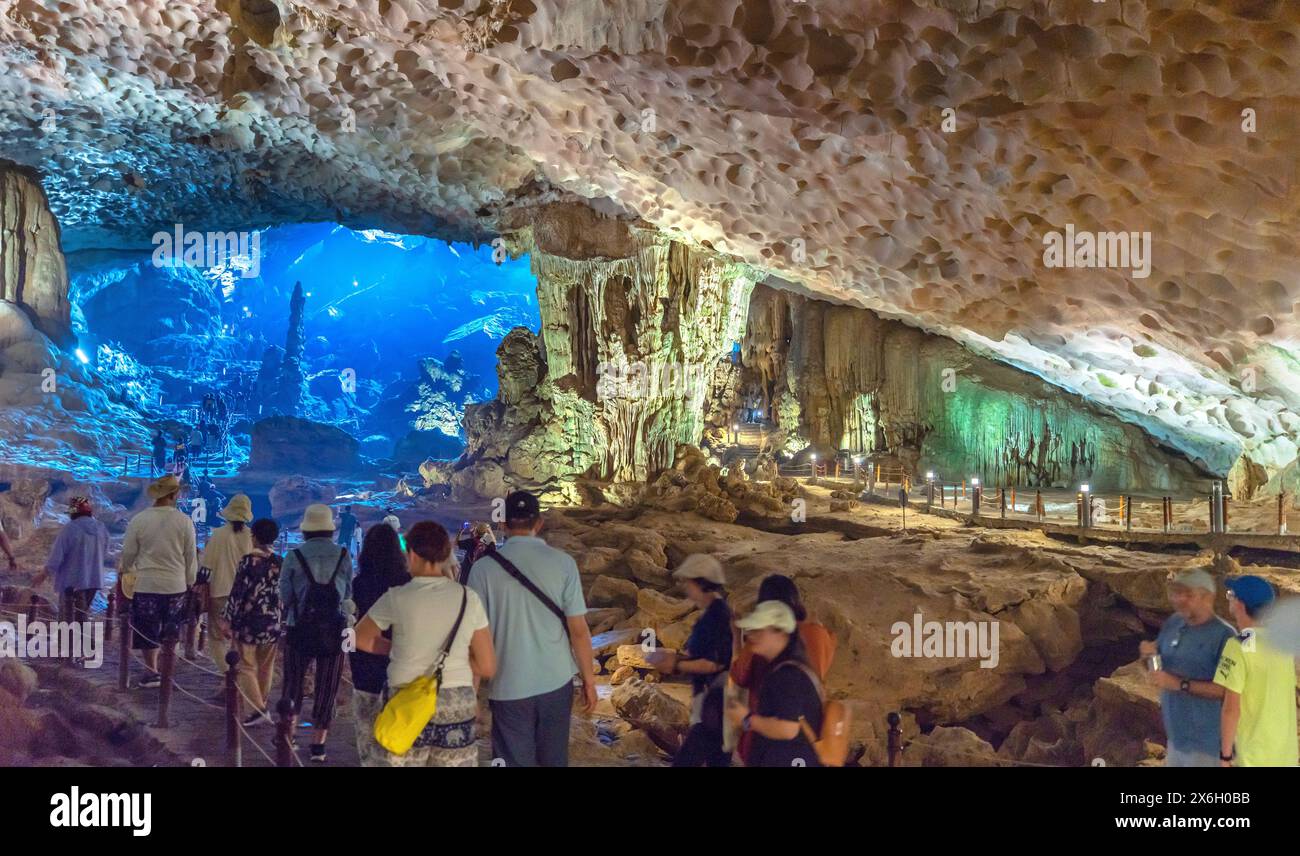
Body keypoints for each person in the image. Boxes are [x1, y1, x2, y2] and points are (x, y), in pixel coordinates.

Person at [467, 490, 595, 767]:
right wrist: (589, 680)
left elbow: (475, 639)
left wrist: (472, 691)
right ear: (538, 523)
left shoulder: (482, 571)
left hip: (509, 685)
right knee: (554, 760)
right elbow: (579, 631)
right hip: (556, 681)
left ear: (503, 524)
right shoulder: (564, 564)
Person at [356, 521, 495, 767]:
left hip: (407, 699)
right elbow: (486, 665)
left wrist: (393, 649)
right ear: (445, 555)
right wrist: (459, 659)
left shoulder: (397, 597)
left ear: (410, 553)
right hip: (455, 703)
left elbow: (361, 637)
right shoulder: (467, 598)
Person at [730, 574, 836, 765]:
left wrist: (746, 720)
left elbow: (739, 675)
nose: (752, 637)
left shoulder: (785, 674)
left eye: (757, 630)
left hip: (779, 747)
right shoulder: (817, 635)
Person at [279, 503, 354, 763]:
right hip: (334, 628)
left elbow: (285, 595)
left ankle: (288, 735)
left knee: (293, 683)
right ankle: (318, 745)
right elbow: (346, 594)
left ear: (306, 530)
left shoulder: (293, 556)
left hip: (298, 627)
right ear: (330, 530)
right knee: (327, 685)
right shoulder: (344, 555)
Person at [1138, 566, 1234, 766]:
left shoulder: (1225, 636)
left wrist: (1179, 684)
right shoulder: (1174, 623)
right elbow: (1157, 664)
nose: (1178, 599)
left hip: (1208, 746)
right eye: (1175, 593)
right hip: (1176, 740)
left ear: (1207, 597)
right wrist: (1147, 656)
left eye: (1187, 594)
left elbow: (1228, 691)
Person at [648, 554, 732, 766]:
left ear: (701, 582)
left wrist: (675, 664)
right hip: (713, 704)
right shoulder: (712, 612)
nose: (684, 586)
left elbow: (717, 662)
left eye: (688, 581)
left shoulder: (717, 614)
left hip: (717, 704)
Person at [119, 475, 198, 688]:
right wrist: (190, 580)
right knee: (171, 628)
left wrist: (128, 570)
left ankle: (152, 669)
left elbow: (128, 553)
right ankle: (167, 667)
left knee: (147, 627)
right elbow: (190, 556)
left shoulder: (139, 519)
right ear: (174, 495)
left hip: (146, 583)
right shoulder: (184, 521)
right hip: (175, 584)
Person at [1214, 575, 1298, 767]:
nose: (1229, 599)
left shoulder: (1238, 646)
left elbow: (1231, 708)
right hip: (1286, 753)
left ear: (1240, 605)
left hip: (1254, 755)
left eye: (1231, 595)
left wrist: (1225, 756)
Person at [348, 522, 410, 766]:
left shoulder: (360, 582)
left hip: (365, 655)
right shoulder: (406, 582)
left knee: (366, 719)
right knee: (397, 719)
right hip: (398, 655)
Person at [220, 518, 283, 726]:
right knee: (266, 666)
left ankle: (257, 710)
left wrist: (227, 618)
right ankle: (260, 703)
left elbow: (238, 593)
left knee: (246, 665)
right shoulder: (280, 561)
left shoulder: (249, 561)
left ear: (254, 536)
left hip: (249, 622)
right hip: (272, 622)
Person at [35, 496, 110, 640]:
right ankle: (83, 647)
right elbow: (105, 552)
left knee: (69, 617)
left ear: (73, 512)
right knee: (82, 613)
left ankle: (74, 650)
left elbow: (57, 556)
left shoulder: (70, 529)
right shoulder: (101, 528)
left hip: (73, 582)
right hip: (95, 580)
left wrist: (43, 574)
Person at [199, 495, 254, 671]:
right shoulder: (252, 536)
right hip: (245, 596)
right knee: (239, 636)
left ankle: (227, 674)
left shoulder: (218, 535)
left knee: (217, 637)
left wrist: (198, 584)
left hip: (220, 591)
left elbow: (206, 566)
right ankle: (238, 673)